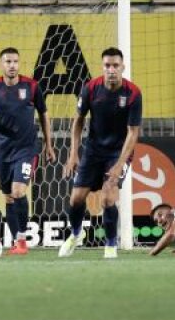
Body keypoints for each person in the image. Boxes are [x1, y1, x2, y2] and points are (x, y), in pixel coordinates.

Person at [59, 48, 143, 260]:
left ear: (123, 67)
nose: (111, 70)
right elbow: (78, 121)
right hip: (93, 150)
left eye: (116, 65)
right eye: (107, 66)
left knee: (107, 198)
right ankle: (77, 234)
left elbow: (133, 133)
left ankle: (111, 245)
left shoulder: (133, 93)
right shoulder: (91, 88)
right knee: (76, 199)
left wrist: (119, 164)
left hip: (119, 152)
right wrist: (73, 154)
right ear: (102, 67)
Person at [0, 48, 55, 255]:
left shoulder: (31, 86)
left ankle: (22, 242)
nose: (12, 65)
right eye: (7, 61)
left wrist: (49, 145)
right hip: (3, 150)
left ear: (19, 63)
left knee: (18, 191)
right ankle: (17, 241)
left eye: (15, 61)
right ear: (1, 64)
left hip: (26, 148)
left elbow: (44, 114)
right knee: (8, 197)